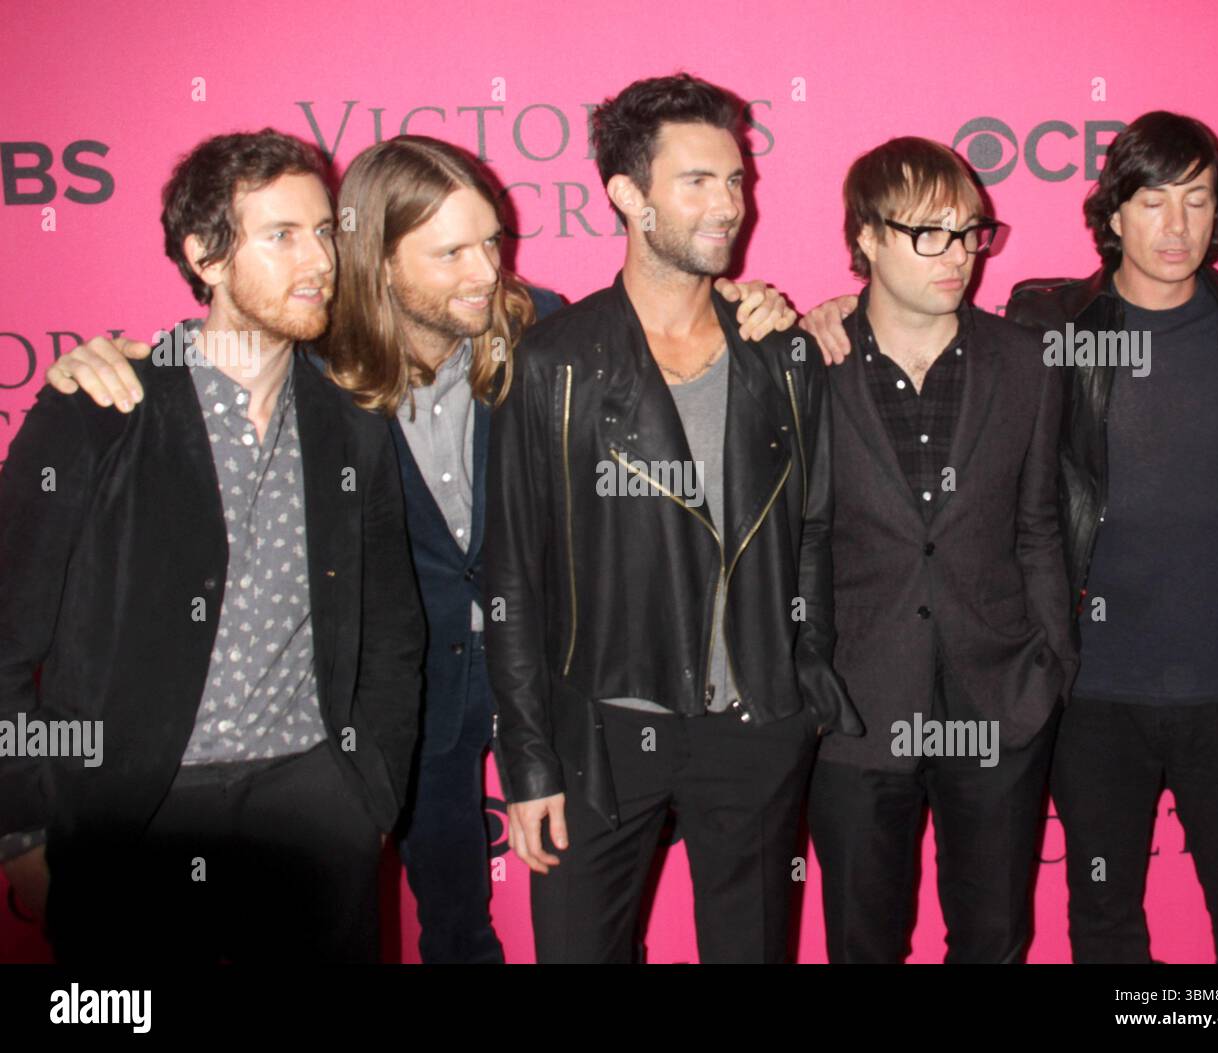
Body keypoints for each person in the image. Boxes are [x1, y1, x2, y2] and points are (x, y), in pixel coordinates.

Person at [12, 133, 795, 963]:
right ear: (380, 263)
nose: (485, 272)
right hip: (417, 707)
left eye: (491, 241)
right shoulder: (327, 376)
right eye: (451, 250)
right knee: (455, 922)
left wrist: (764, 309)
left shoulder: (544, 333)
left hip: (545, 684)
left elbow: (666, 319)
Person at [801, 111, 1218, 964]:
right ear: (1112, 214)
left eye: (1198, 200)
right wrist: (830, 309)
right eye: (1151, 201)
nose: (1175, 226)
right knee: (1102, 929)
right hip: (1094, 696)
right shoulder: (1050, 327)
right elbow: (920, 326)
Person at [0, 129, 426, 963]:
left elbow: (393, 631)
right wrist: (19, 826)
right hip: (136, 818)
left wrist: (367, 795)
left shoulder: (352, 427)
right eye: (281, 236)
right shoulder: (98, 411)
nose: (319, 261)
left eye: (323, 232)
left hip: (313, 812)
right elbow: (7, 644)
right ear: (206, 256)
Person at [485, 72, 861, 965]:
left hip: (756, 727)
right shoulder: (557, 362)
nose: (728, 204)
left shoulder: (783, 353)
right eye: (696, 181)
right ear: (627, 195)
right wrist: (532, 761)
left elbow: (811, 533)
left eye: (735, 180)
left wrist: (803, 677)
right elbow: (513, 577)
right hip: (604, 731)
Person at [804, 137, 1074, 963]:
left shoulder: (1025, 362)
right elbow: (802, 537)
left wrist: (1053, 660)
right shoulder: (808, 361)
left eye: (968, 232)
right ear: (867, 240)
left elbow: (1037, 527)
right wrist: (810, 671)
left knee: (993, 938)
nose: (957, 255)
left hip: (998, 701)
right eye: (929, 233)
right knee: (862, 941)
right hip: (857, 709)